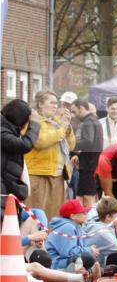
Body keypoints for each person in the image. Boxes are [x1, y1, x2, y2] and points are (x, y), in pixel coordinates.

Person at [24, 89, 76, 220]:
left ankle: (50, 234)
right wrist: (62, 129)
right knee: (36, 215)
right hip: (37, 173)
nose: (55, 106)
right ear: (40, 104)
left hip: (57, 175)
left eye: (56, 103)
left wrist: (68, 128)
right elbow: (40, 142)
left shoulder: (57, 122)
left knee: (53, 216)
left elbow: (71, 146)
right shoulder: (32, 121)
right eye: (51, 102)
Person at [1, 98, 40, 217]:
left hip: (8, 186)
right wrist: (34, 124)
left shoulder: (7, 129)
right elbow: (24, 145)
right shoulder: (3, 132)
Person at [45, 199, 101, 275]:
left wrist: (91, 250)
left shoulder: (77, 226)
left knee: (89, 256)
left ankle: (96, 272)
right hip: (57, 265)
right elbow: (68, 253)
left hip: (67, 261)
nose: (86, 214)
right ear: (73, 216)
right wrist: (89, 250)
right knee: (86, 257)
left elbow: (81, 247)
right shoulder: (67, 227)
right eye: (83, 213)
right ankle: (95, 272)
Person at [71, 98, 104, 208]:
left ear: (81, 108)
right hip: (91, 163)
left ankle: (90, 217)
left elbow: (88, 142)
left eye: (74, 111)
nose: (73, 115)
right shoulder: (95, 121)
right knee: (82, 196)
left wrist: (72, 145)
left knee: (87, 196)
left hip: (88, 166)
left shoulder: (88, 122)